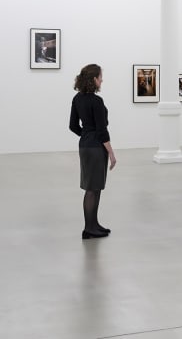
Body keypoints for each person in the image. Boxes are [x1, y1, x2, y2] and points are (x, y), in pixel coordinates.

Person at [69, 64, 117, 240]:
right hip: (97, 148)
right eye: (100, 76)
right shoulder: (97, 102)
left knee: (93, 187)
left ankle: (93, 225)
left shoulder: (77, 99)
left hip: (85, 146)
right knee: (92, 189)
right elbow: (102, 131)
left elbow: (73, 126)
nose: (102, 79)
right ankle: (89, 229)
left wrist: (86, 135)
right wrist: (111, 153)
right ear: (94, 79)